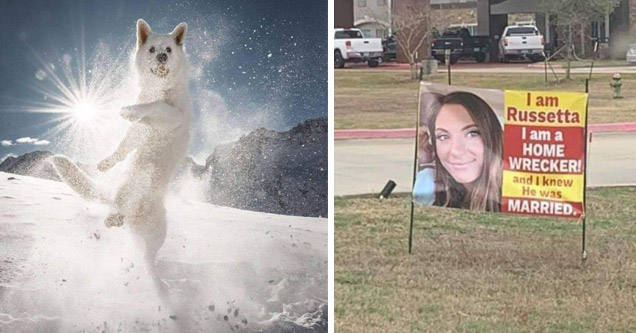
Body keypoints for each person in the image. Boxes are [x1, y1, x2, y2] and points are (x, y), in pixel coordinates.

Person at [413, 91, 502, 211]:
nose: (456, 150)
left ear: (492, 136)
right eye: (443, 136)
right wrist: (420, 159)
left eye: (472, 134)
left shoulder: (519, 195)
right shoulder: (432, 191)